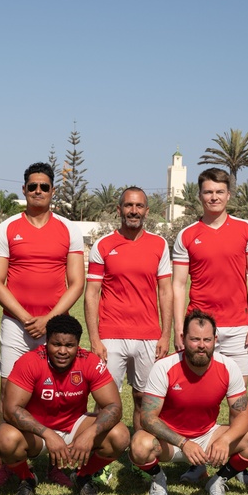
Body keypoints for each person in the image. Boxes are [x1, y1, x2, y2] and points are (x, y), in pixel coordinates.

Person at [0, 162, 84, 489]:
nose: (38, 191)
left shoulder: (69, 230)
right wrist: (27, 318)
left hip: (55, 328)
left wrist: (49, 320)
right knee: (8, 393)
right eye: (33, 187)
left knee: (55, 395)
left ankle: (55, 463)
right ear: (24, 190)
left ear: (53, 191)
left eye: (44, 186)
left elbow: (76, 282)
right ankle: (7, 463)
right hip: (16, 325)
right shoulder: (7, 228)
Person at [171, 168, 248, 485]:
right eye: (208, 192)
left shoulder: (246, 229)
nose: (214, 197)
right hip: (199, 331)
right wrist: (177, 328)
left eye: (219, 192)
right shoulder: (187, 235)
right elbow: (178, 284)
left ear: (229, 195)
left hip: (239, 328)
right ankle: (198, 462)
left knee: (238, 401)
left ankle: (234, 466)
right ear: (199, 195)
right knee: (200, 398)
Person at [129, 309, 248, 495]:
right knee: (139, 446)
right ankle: (159, 478)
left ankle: (217, 481)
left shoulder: (228, 367)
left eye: (207, 340)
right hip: (171, 441)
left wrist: (225, 441)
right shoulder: (165, 367)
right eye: (194, 339)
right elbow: (148, 417)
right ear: (183, 338)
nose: (201, 346)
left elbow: (243, 415)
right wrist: (184, 443)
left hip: (208, 437)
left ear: (215, 339)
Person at [0, 314, 129, 495]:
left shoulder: (90, 361)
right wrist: (47, 434)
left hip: (75, 426)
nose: (62, 351)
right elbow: (11, 410)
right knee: (5, 438)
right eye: (56, 344)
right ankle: (27, 478)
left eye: (69, 345)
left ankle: (82, 475)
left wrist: (89, 434)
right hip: (38, 431)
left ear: (78, 345)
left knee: (120, 436)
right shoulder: (29, 361)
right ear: (46, 342)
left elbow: (114, 406)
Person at [84, 186, 172, 435]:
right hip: (111, 336)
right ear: (119, 209)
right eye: (128, 205)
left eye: (139, 206)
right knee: (105, 401)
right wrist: (95, 338)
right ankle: (98, 461)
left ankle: (139, 457)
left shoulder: (159, 245)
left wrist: (165, 335)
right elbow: (91, 294)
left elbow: (165, 292)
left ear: (147, 210)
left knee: (144, 400)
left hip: (149, 336)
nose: (134, 211)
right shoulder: (103, 245)